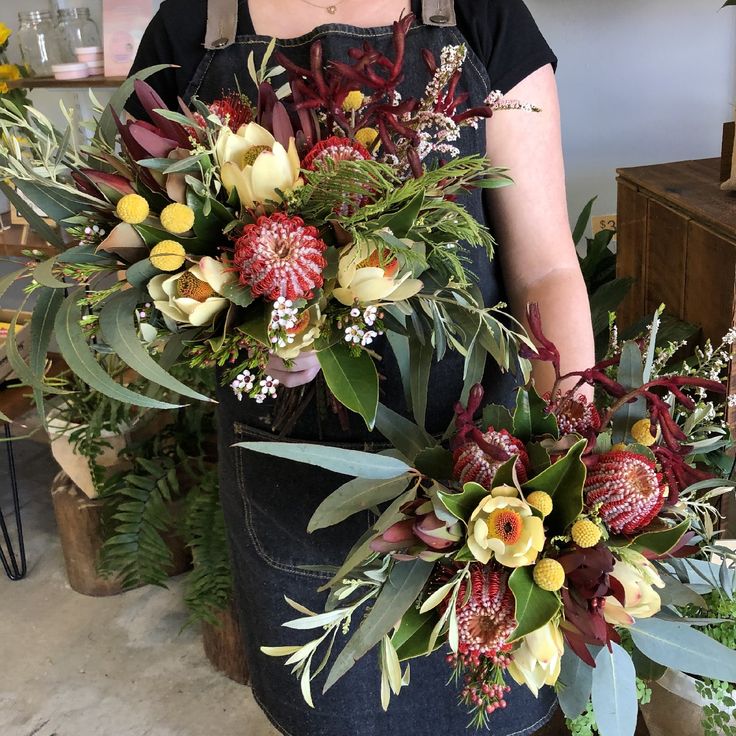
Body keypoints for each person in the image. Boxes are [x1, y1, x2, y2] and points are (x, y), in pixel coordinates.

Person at [129, 1, 594, 734]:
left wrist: (569, 460)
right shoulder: (193, 22)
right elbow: (154, 264)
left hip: (488, 487)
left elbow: (544, 271)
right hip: (293, 506)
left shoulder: (481, 15)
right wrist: (247, 332)